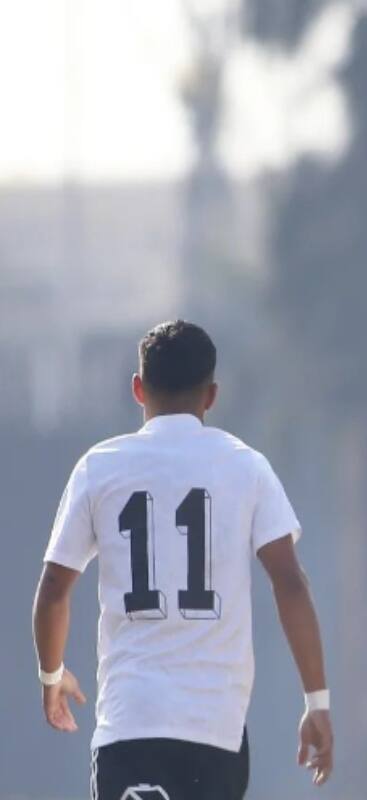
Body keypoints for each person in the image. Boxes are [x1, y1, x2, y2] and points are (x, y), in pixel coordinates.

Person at [32, 320, 333, 799]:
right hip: (216, 731)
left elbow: (53, 590)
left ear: (138, 388)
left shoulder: (99, 467)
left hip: (131, 724)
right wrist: (316, 701)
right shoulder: (246, 467)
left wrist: (51, 674)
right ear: (211, 396)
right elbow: (290, 583)